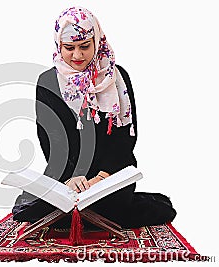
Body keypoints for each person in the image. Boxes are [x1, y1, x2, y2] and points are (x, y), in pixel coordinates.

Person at [12, 6, 176, 229]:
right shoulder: (47, 82)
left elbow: (125, 138)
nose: (77, 55)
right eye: (69, 48)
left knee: (110, 210)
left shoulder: (117, 78)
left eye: (84, 46)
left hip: (111, 174)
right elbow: (50, 139)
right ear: (59, 45)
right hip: (66, 175)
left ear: (96, 41)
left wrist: (100, 178)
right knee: (31, 212)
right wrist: (72, 178)